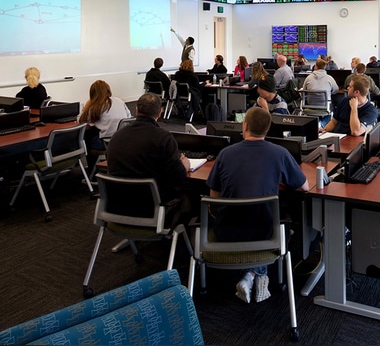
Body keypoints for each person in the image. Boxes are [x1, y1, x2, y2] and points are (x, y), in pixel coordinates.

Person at [206, 107, 309, 303]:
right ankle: (256, 274)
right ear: (268, 129)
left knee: (249, 217)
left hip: (226, 232)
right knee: (278, 221)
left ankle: (250, 276)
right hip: (265, 234)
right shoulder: (280, 153)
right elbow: (304, 186)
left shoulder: (225, 154)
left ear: (244, 126)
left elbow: (214, 196)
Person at [107, 93, 191, 214]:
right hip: (152, 207)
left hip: (118, 205)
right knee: (191, 194)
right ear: (160, 113)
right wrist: (185, 163)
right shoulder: (164, 138)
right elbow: (179, 176)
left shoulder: (117, 135)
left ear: (136, 110)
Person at [79, 80, 132, 167]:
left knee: (87, 136)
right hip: (124, 140)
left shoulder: (95, 107)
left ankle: (91, 170)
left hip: (106, 143)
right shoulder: (119, 101)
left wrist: (87, 105)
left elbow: (81, 122)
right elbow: (129, 117)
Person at [302, 58, 339, 125]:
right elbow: (336, 90)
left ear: (316, 66)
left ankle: (316, 124)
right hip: (325, 107)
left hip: (310, 106)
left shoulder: (308, 78)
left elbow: (304, 91)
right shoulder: (329, 78)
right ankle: (324, 124)